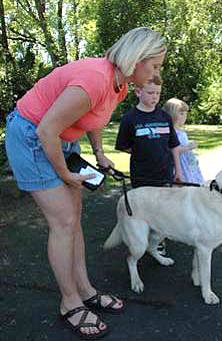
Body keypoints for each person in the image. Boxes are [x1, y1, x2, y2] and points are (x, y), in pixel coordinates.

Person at [5, 27, 166, 340]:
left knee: (74, 218)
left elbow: (93, 117)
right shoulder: (95, 78)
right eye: (156, 65)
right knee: (63, 220)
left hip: (61, 139)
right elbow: (45, 131)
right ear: (137, 59)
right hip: (32, 135)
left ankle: (85, 289)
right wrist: (65, 176)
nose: (158, 72)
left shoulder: (120, 84)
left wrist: (99, 153)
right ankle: (70, 303)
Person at [115, 76, 184, 256]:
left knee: (164, 212)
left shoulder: (165, 117)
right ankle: (139, 242)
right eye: (151, 93)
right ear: (138, 92)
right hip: (142, 176)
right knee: (145, 213)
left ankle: (157, 244)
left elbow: (173, 146)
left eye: (158, 93)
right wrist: (143, 152)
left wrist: (178, 171)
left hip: (165, 175)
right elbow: (125, 146)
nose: (155, 97)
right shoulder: (129, 119)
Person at [163, 97, 204, 185]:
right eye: (181, 113)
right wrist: (188, 147)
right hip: (180, 164)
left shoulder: (181, 132)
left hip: (187, 162)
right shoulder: (171, 132)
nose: (185, 116)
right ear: (171, 115)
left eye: (185, 113)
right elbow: (173, 149)